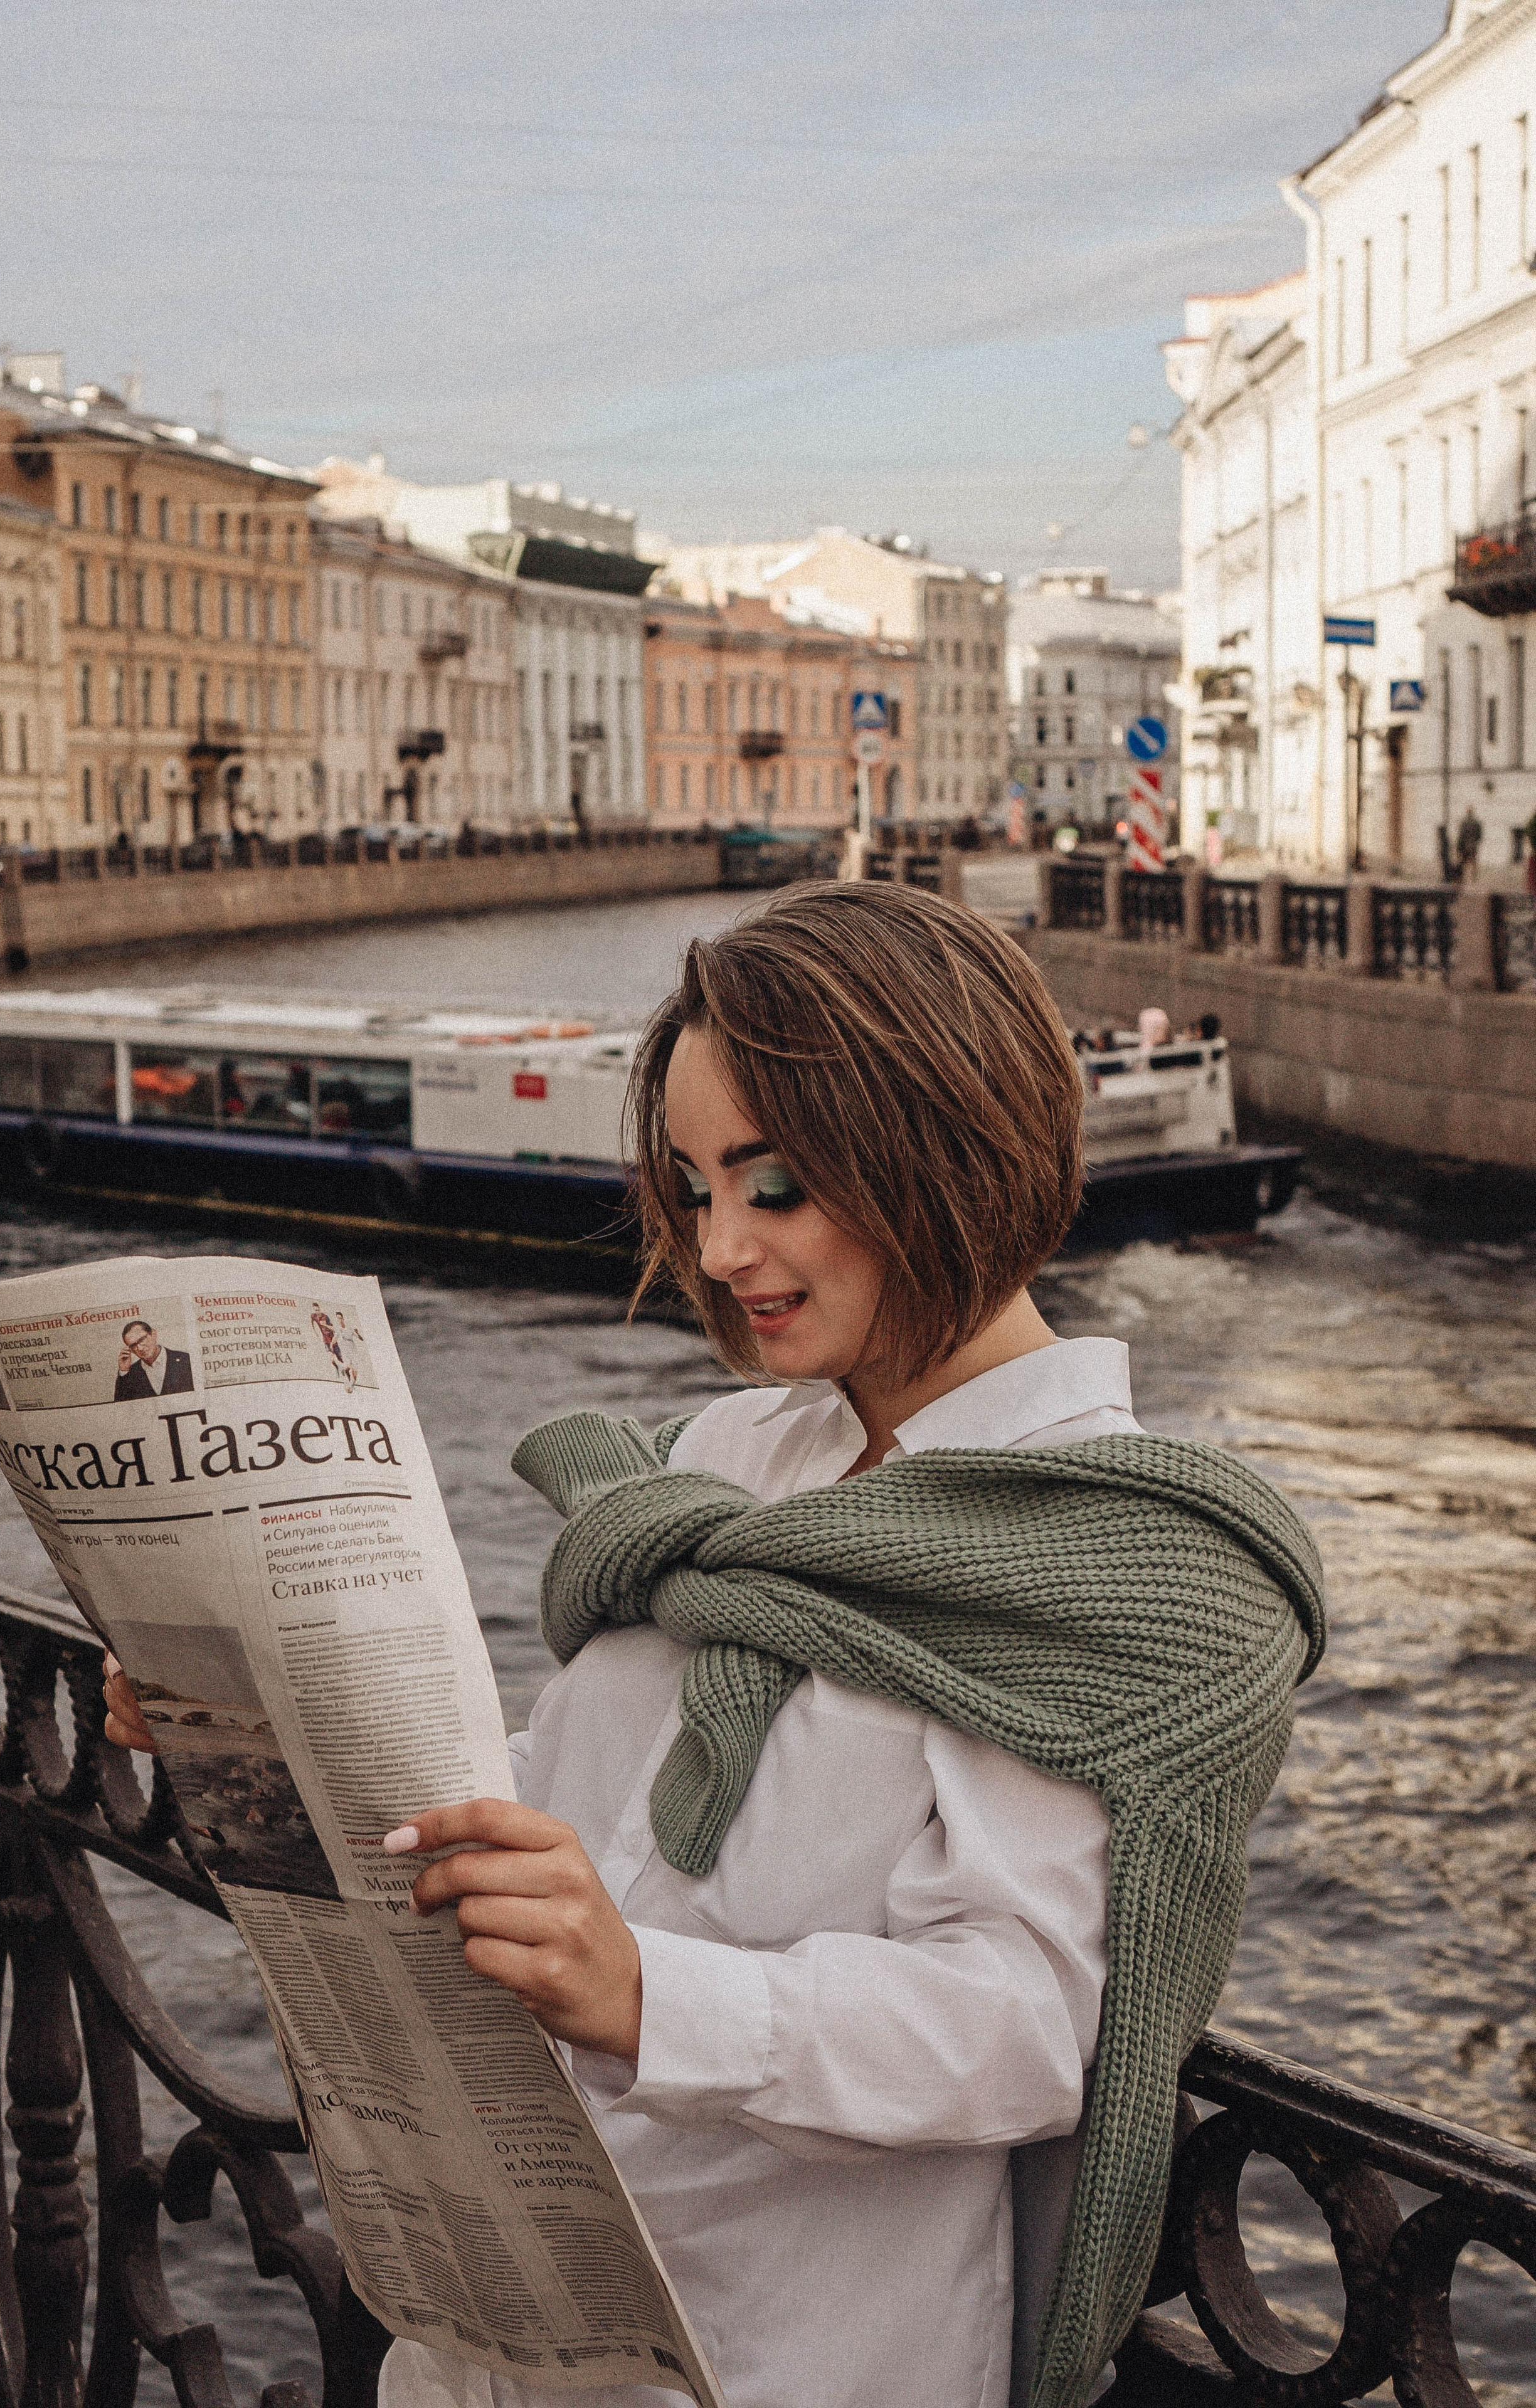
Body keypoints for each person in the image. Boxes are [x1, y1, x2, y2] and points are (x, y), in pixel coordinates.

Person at [105, 885, 1322, 2408]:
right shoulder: (726, 1459)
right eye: (690, 1187)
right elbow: (556, 1806)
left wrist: (646, 1995)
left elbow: (1025, 2028)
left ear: (941, 1146)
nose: (721, 1245)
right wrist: (252, 1722)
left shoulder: (1104, 1562)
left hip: (777, 2355)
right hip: (501, 2323)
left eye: (777, 1184)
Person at [112, 1317, 193, 1401]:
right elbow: (121, 1408)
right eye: (133, 1345)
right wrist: (124, 1371)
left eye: (142, 1340)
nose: (139, 1348)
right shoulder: (130, 1374)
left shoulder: (186, 1360)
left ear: (154, 1334)